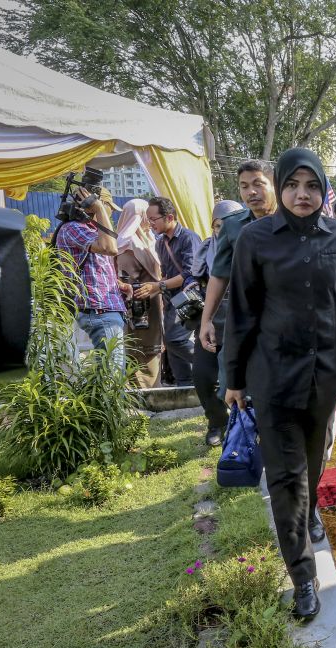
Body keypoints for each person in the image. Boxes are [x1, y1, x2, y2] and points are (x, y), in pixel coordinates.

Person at [223, 148, 336, 621]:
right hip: (273, 375)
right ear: (280, 188)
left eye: (312, 185)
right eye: (294, 185)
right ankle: (302, 576)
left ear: (323, 190)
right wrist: (233, 377)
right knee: (284, 477)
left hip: (325, 375)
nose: (303, 195)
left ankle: (311, 508)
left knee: (314, 464)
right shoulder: (255, 238)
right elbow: (240, 310)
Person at [198, 160, 278, 356]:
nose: (251, 192)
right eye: (244, 186)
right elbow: (219, 276)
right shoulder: (233, 225)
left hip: (284, 323)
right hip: (244, 322)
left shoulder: (293, 223)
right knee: (231, 382)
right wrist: (206, 320)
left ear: (275, 185)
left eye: (258, 184)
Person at [54, 185, 130, 370]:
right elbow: (110, 249)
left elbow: (93, 265)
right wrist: (99, 209)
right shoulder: (73, 228)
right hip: (99, 311)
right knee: (112, 378)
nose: (109, 212)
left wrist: (117, 284)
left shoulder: (91, 230)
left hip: (104, 310)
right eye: (107, 206)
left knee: (109, 375)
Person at [134, 197, 201, 387]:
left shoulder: (188, 238)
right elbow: (167, 274)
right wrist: (156, 289)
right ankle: (184, 385)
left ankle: (212, 366)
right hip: (173, 299)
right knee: (171, 344)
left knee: (174, 340)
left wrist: (158, 287)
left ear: (169, 217)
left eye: (153, 219)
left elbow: (190, 274)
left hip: (190, 298)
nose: (149, 223)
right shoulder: (160, 243)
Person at [190, 200, 242, 445]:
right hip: (210, 322)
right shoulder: (205, 248)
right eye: (219, 225)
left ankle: (243, 427)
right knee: (202, 376)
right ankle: (217, 421)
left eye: (230, 224)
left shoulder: (249, 244)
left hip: (240, 321)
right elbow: (197, 279)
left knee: (240, 380)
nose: (223, 230)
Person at [115, 198, 164, 387]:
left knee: (152, 347)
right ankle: (142, 393)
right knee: (141, 349)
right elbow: (125, 278)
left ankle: (153, 388)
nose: (150, 220)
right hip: (138, 308)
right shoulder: (127, 245)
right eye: (147, 215)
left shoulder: (147, 238)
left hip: (152, 303)